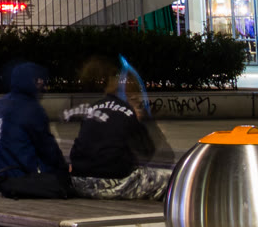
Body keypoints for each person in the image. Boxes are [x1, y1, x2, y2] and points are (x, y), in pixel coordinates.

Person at [65, 68, 175, 200]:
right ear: (129, 96)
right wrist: (144, 124)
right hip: (112, 182)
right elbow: (148, 151)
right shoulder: (128, 112)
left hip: (78, 182)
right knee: (172, 180)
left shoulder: (93, 107)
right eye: (136, 99)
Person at [0, 62, 70, 199]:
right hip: (12, 177)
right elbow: (48, 149)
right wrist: (64, 171)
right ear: (33, 82)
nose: (43, 86)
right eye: (40, 81)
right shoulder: (31, 108)